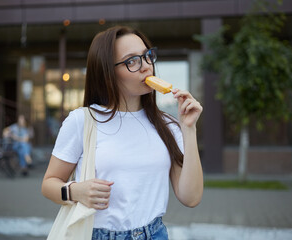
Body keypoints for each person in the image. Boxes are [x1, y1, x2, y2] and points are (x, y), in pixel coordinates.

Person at [41, 26, 203, 239]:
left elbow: (190, 198)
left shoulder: (168, 125)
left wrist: (189, 129)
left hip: (154, 234)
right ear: (108, 72)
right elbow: (48, 183)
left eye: (147, 56)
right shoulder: (83, 120)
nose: (146, 66)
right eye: (132, 61)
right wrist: (75, 191)